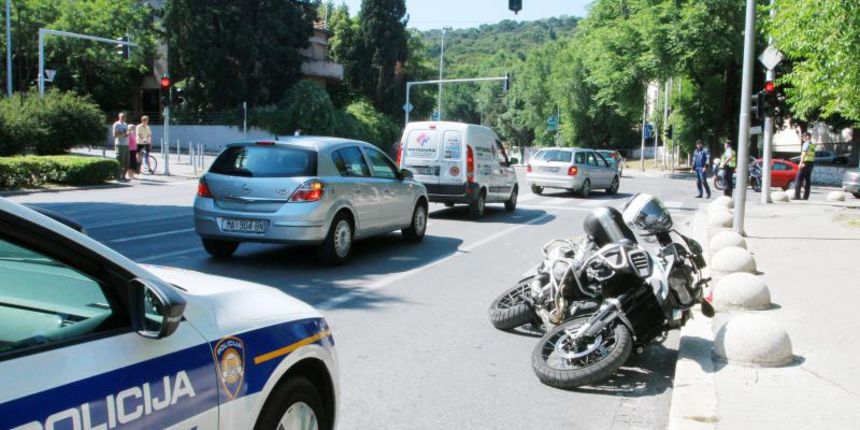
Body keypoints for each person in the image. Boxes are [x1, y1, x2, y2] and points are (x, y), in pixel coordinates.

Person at [794, 131, 816, 200]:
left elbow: (804, 153)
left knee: (798, 179)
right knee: (807, 180)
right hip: (811, 164)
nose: (802, 138)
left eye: (803, 136)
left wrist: (801, 162)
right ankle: (806, 197)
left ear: (807, 137)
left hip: (805, 163)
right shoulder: (812, 145)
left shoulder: (806, 144)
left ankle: (797, 196)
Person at [112, 112, 129, 181]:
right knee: (120, 161)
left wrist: (127, 134)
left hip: (126, 145)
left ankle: (123, 176)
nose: (124, 117)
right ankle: (118, 177)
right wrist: (124, 134)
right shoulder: (116, 124)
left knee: (127, 162)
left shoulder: (125, 124)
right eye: (122, 116)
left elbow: (125, 134)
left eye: (125, 116)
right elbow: (115, 135)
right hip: (119, 144)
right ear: (119, 117)